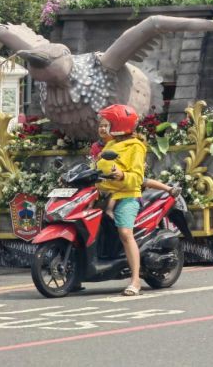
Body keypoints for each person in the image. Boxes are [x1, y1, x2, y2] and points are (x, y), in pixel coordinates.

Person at [95, 104, 147, 296]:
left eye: (109, 123)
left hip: (127, 196)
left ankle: (135, 280)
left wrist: (122, 175)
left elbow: (137, 177)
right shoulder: (109, 145)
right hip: (104, 195)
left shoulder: (136, 147)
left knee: (125, 233)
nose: (105, 127)